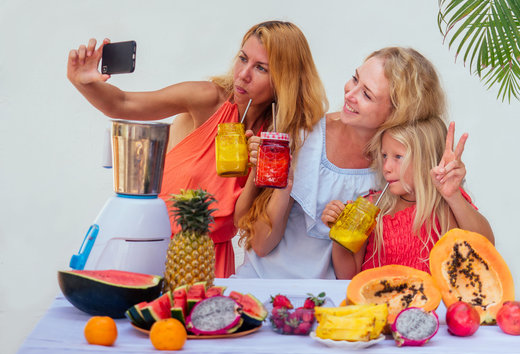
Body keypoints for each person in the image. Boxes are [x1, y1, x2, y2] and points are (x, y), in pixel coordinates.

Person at [67, 21, 327, 278]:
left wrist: (258, 173)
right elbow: (123, 103)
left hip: (208, 263)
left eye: (261, 68)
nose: (243, 74)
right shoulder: (207, 99)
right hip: (148, 246)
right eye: (243, 58)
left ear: (285, 80)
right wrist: (85, 82)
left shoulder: (275, 144)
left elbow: (244, 225)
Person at [234, 47, 448, 279]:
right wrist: (284, 187)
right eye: (355, 78)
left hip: (334, 299)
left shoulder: (394, 170)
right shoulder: (304, 136)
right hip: (263, 281)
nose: (349, 94)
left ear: (397, 113)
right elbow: (261, 245)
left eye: (367, 94)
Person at [322, 119, 495, 279]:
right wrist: (339, 237)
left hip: (431, 310)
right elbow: (347, 276)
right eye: (384, 156)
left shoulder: (447, 206)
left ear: (426, 160)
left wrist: (453, 196)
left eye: (398, 157)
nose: (387, 167)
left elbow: (485, 248)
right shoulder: (372, 207)